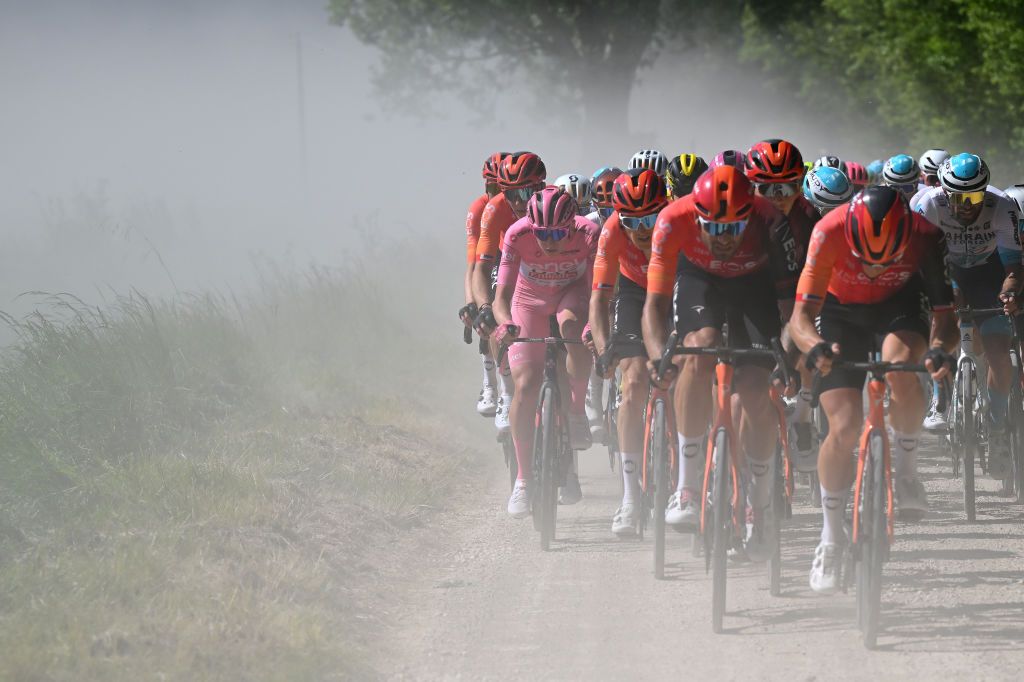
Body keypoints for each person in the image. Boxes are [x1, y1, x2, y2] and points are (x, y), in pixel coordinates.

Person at [789, 186, 959, 593]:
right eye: (865, 257)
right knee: (843, 427)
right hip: (837, 311)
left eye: (887, 259)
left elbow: (946, 319)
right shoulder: (828, 231)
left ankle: (906, 474)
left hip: (898, 305)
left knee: (902, 367)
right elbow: (799, 318)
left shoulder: (925, 236)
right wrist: (814, 349)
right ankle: (830, 538)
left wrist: (938, 350)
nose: (874, 267)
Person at [642, 165, 801, 560]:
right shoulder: (672, 219)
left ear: (750, 215)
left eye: (733, 230)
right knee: (698, 350)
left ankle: (759, 506)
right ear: (696, 217)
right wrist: (659, 357)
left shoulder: (771, 220)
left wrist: (786, 360)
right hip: (700, 281)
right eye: (713, 229)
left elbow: (791, 307)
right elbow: (655, 305)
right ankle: (688, 488)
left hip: (755, 287)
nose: (724, 240)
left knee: (754, 390)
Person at [489, 187, 600, 517]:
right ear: (529, 227)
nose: (549, 242)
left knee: (572, 331)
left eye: (557, 233)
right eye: (542, 234)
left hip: (572, 295)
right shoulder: (516, 234)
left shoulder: (589, 233)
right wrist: (505, 324)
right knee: (526, 384)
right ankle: (522, 480)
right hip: (529, 302)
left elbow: (600, 291)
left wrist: (593, 326)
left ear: (573, 224)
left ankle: (577, 411)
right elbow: (501, 296)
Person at [915, 154, 1021, 479]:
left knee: (999, 355)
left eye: (974, 197)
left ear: (985, 192)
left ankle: (998, 427)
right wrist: (941, 291)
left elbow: (1014, 266)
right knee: (938, 331)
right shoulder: (927, 206)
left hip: (990, 274)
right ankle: (939, 397)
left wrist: (1010, 293)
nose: (966, 206)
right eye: (958, 197)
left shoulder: (1002, 206)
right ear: (944, 193)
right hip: (944, 270)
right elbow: (913, 260)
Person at [589, 169, 669, 535]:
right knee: (633, 382)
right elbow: (600, 297)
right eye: (631, 220)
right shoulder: (611, 232)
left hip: (674, 290)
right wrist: (605, 351)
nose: (641, 230)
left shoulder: (677, 224)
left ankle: (691, 482)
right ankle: (630, 497)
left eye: (650, 219)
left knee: (683, 374)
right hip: (636, 294)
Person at [744, 138, 821, 473]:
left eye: (787, 187)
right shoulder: (740, 215)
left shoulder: (809, 216)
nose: (777, 198)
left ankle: (803, 420)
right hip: (753, 293)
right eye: (767, 188)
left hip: (799, 292)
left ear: (800, 184)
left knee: (806, 347)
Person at [472, 152, 547, 434]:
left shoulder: (554, 202)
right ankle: (505, 393)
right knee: (493, 315)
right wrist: (482, 307)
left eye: (525, 192)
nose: (517, 201)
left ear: (540, 187)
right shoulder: (494, 209)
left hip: (545, 261)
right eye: (510, 193)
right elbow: (480, 269)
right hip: (508, 258)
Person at [461, 152, 509, 417]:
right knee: (486, 311)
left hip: (517, 252)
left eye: (503, 189)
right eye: (492, 188)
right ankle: (492, 386)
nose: (498, 195)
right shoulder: (480, 209)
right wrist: (472, 304)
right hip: (491, 255)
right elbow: (473, 266)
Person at [583, 166, 623, 441]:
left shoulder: (635, 218)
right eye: (604, 208)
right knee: (597, 339)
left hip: (627, 288)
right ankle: (592, 394)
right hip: (597, 288)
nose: (610, 213)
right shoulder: (587, 224)